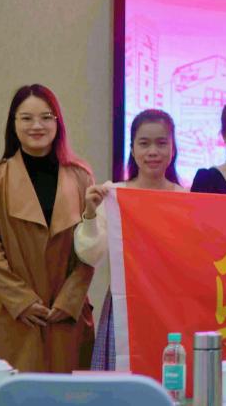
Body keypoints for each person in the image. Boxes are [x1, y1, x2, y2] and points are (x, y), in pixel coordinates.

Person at [0, 84, 95, 372]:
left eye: (46, 117)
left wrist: (69, 301)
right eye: (26, 118)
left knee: (68, 392)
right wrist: (22, 301)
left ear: (58, 123)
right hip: (14, 315)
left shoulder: (81, 177)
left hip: (67, 315)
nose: (36, 126)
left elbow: (92, 246)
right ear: (13, 124)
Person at [74, 109, 185, 370]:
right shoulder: (114, 195)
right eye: (144, 144)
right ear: (133, 150)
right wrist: (90, 213)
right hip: (124, 306)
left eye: (161, 143)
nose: (153, 152)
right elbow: (90, 254)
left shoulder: (185, 199)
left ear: (173, 148)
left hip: (169, 308)